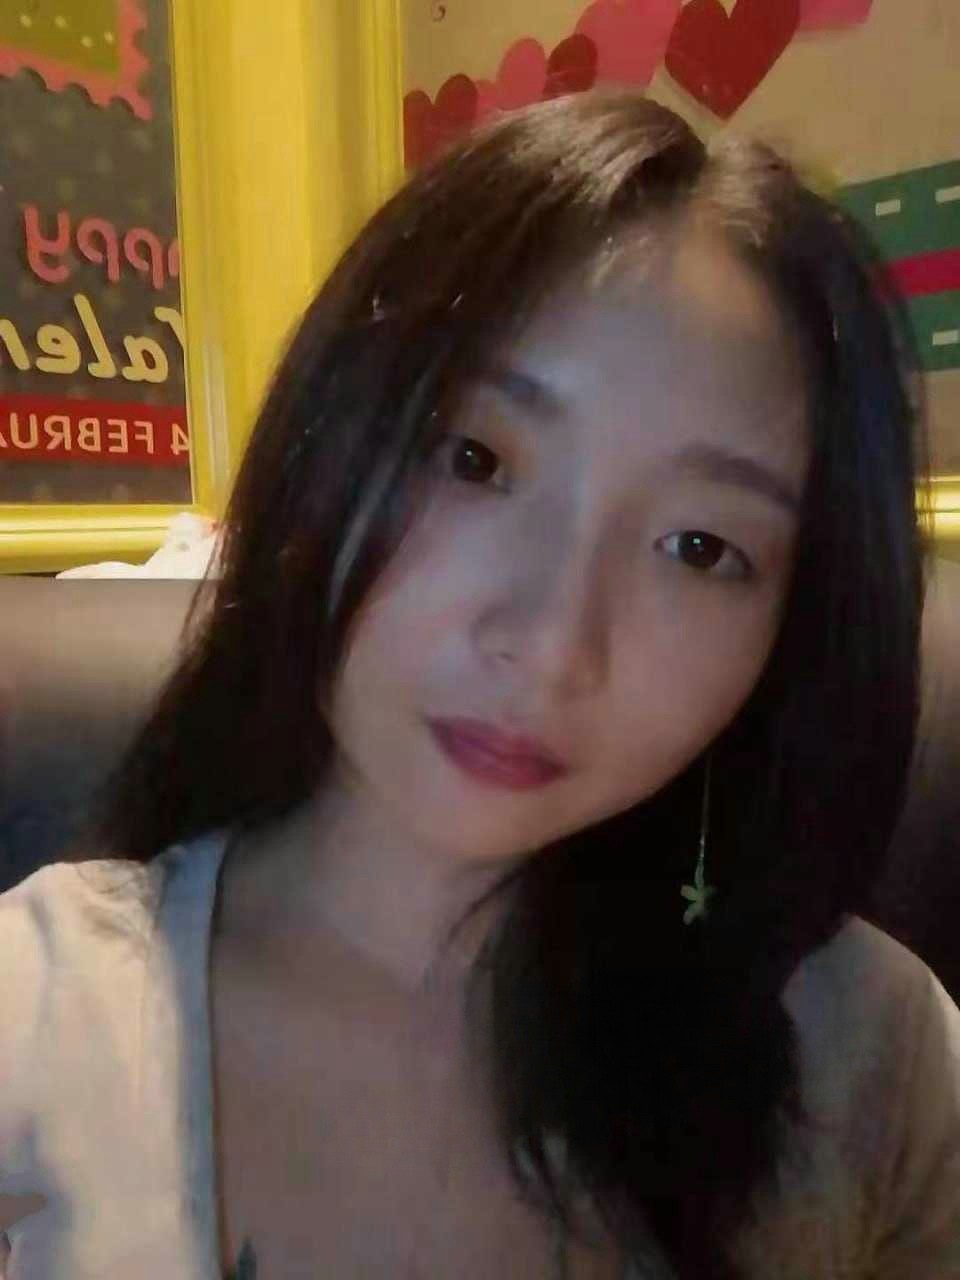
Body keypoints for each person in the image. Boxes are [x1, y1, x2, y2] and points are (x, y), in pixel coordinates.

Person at [1, 90, 958, 1280]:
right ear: (329, 437)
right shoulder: (35, 1020)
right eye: (476, 458)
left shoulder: (872, 1059)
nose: (553, 646)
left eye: (700, 546)